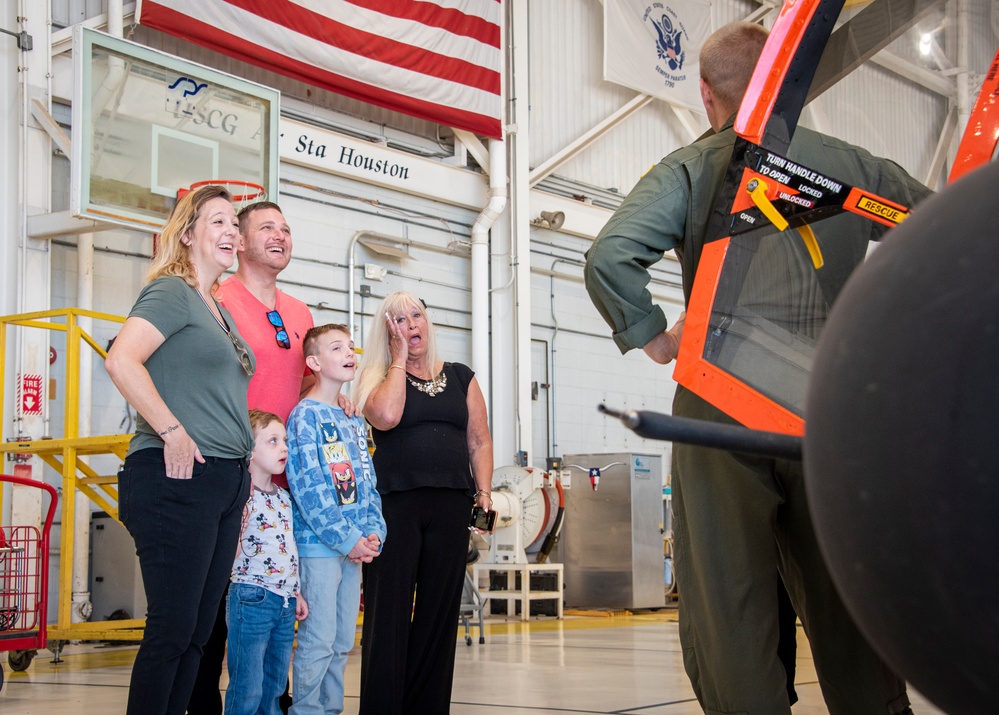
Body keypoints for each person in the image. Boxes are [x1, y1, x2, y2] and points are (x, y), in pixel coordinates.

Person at [583, 22, 932, 715]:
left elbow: (609, 256)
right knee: (843, 597)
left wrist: (655, 339)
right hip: (821, 411)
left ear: (707, 94)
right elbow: (937, 229)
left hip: (719, 406)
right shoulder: (849, 166)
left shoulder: (693, 165)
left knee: (728, 608)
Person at [188, 200, 353, 715]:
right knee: (218, 604)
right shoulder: (216, 297)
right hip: (231, 464)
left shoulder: (300, 312)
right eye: (267, 227)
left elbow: (301, 376)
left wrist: (330, 391)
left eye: (286, 228)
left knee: (278, 606)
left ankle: (273, 704)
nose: (280, 235)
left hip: (286, 476)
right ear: (237, 239)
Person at [106, 185, 255, 715]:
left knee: (196, 633)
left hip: (224, 481)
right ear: (187, 234)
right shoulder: (172, 292)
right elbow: (122, 360)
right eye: (218, 222)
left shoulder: (219, 309)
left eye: (234, 224)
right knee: (172, 629)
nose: (232, 232)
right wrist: (171, 429)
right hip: (177, 476)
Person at [353, 291, 494, 715]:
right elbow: (387, 417)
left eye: (416, 315)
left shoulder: (462, 376)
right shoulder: (375, 376)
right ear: (387, 331)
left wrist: (483, 495)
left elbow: (479, 440)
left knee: (438, 612)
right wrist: (398, 360)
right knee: (388, 612)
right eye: (398, 319)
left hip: (451, 505)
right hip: (394, 506)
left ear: (428, 322)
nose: (410, 324)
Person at [286, 323, 387, 715]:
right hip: (320, 547)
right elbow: (310, 490)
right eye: (336, 348)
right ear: (313, 362)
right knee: (319, 638)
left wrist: (375, 531)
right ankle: (306, 709)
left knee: (344, 639)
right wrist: (347, 538)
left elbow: (367, 479)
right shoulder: (304, 417)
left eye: (350, 347)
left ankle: (331, 709)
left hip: (354, 547)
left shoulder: (352, 418)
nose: (349, 354)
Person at [225, 409, 309, 715]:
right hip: (251, 597)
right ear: (249, 447)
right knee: (248, 684)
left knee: (275, 684)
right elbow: (227, 556)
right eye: (273, 441)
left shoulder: (284, 497)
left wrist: (296, 591)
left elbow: (288, 549)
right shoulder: (239, 495)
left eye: (284, 440)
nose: (284, 447)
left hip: (284, 601)